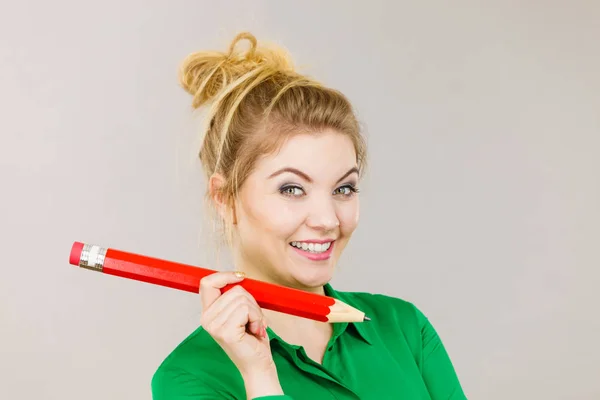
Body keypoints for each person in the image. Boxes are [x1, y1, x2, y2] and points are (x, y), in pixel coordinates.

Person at [151, 32, 467, 400]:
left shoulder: (404, 329)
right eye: (292, 189)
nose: (328, 219)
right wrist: (260, 376)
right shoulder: (189, 378)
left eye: (343, 189)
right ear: (225, 199)